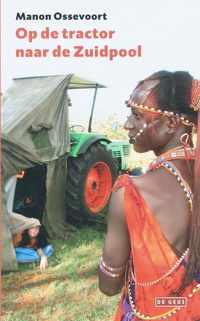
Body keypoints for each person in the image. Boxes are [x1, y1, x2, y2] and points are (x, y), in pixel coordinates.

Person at [98, 71, 200, 320]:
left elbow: (109, 286)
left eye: (137, 115)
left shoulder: (130, 193)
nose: (127, 125)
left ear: (171, 124)